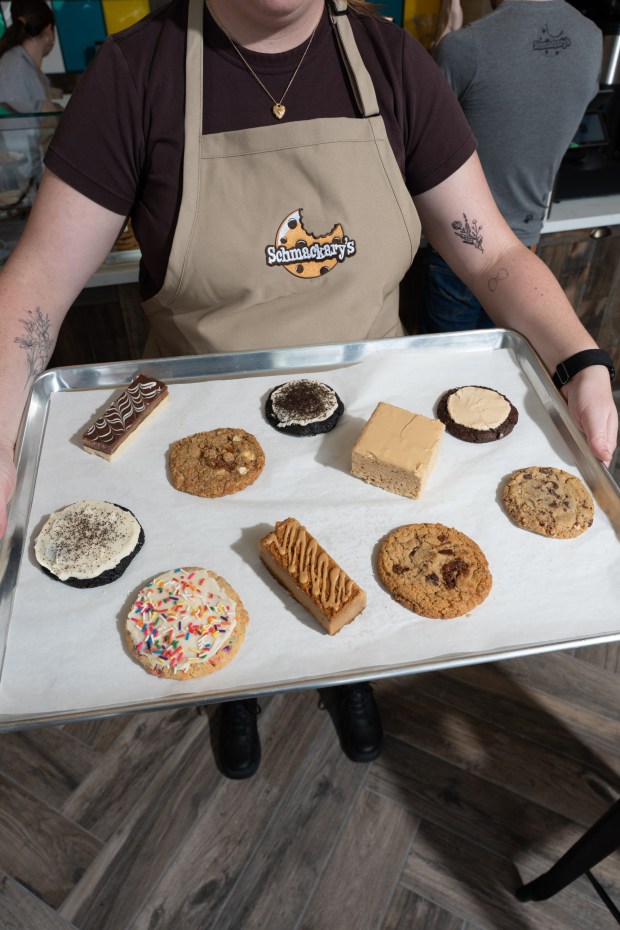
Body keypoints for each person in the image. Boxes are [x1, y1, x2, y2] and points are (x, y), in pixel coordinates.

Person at [0, 0, 616, 779]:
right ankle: (235, 694)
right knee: (212, 606)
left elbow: (493, 255)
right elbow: (35, 287)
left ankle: (345, 675)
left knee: (350, 584)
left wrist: (581, 361)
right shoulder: (135, 75)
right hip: (202, 457)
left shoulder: (393, 64)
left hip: (369, 439)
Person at [421, 0, 603, 333]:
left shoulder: (465, 46)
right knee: (503, 372)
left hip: (459, 251)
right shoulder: (591, 37)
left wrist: (442, 42)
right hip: (527, 249)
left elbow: (422, 139)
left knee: (448, 376)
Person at [0, 0, 61, 202]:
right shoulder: (14, 65)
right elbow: (40, 117)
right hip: (18, 184)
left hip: (28, 182)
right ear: (49, 30)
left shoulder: (20, 64)